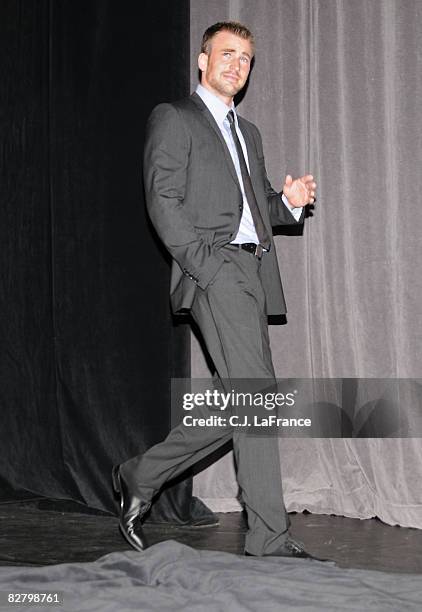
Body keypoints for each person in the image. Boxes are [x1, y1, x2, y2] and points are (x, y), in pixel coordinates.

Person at [112, 21, 319, 558]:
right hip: (215, 268)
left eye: (246, 58)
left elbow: (257, 211)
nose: (237, 64)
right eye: (227, 54)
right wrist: (205, 266)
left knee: (252, 403)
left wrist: (289, 202)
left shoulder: (248, 132)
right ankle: (270, 538)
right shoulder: (175, 117)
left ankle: (141, 473)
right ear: (202, 62)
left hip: (252, 270)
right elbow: (163, 199)